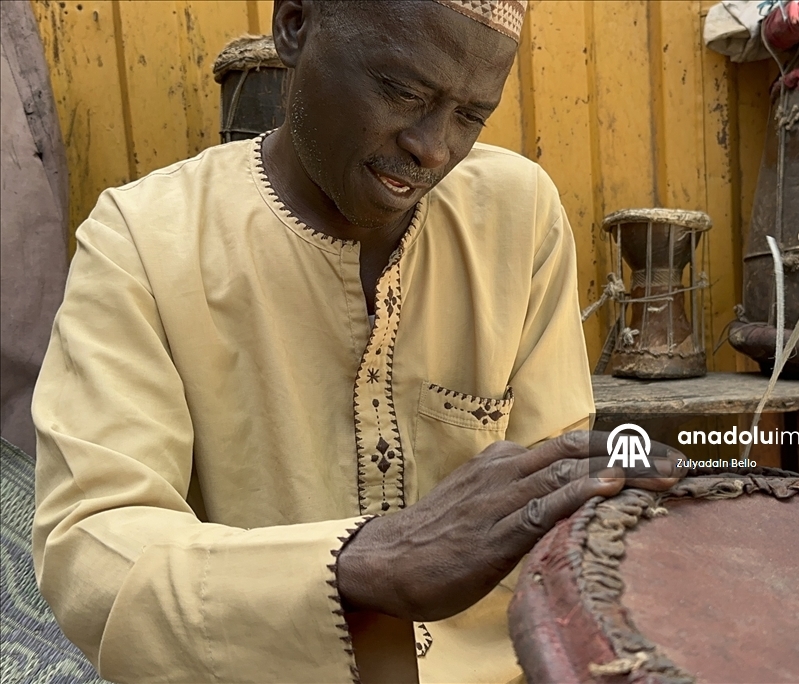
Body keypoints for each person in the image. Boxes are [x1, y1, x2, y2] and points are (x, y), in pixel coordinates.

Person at [31, 1, 682, 682]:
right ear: (295, 23)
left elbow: (551, 503)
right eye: (402, 92)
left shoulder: (520, 215)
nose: (434, 149)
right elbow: (92, 551)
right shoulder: (142, 242)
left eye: (471, 116)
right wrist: (362, 561)